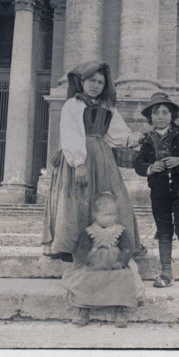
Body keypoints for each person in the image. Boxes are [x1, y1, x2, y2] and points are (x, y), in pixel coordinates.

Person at [41, 61, 146, 262]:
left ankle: (107, 243)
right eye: (92, 81)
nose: (96, 85)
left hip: (102, 156)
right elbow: (71, 134)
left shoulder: (108, 108)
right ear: (82, 82)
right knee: (78, 197)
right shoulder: (73, 104)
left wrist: (135, 137)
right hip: (79, 156)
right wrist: (79, 163)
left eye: (100, 82)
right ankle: (72, 246)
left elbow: (117, 135)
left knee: (108, 197)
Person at [134, 92, 179, 290]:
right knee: (164, 229)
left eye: (165, 112)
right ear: (150, 117)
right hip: (159, 191)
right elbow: (138, 163)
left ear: (172, 115)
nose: (160, 116)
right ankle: (166, 273)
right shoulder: (147, 139)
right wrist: (150, 168)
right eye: (156, 113)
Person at [62, 192, 145, 327]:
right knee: (84, 280)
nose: (109, 218)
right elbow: (81, 249)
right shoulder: (89, 232)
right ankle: (83, 310)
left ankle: (121, 311)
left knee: (124, 278)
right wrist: (86, 259)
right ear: (95, 215)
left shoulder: (120, 231)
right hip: (94, 265)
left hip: (115, 265)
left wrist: (122, 260)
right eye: (105, 215)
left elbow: (127, 248)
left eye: (113, 214)